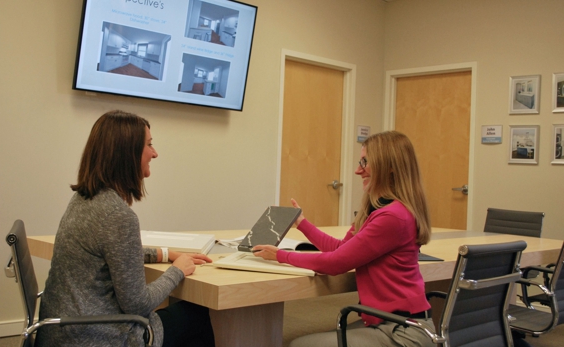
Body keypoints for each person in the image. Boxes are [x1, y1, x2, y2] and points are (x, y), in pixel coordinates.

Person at [35, 110, 215, 347]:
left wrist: (163, 254)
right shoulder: (117, 215)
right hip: (96, 337)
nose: (155, 153)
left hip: (62, 331)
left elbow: (114, 255)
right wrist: (177, 270)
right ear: (126, 154)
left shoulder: (83, 199)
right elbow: (138, 305)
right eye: (149, 145)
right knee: (196, 315)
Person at [253, 131, 435, 347]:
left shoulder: (393, 216)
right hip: (389, 322)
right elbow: (340, 249)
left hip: (402, 332)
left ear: (390, 166)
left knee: (299, 345)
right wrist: (302, 224)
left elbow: (335, 263)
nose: (358, 170)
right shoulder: (379, 210)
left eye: (366, 162)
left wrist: (281, 255)